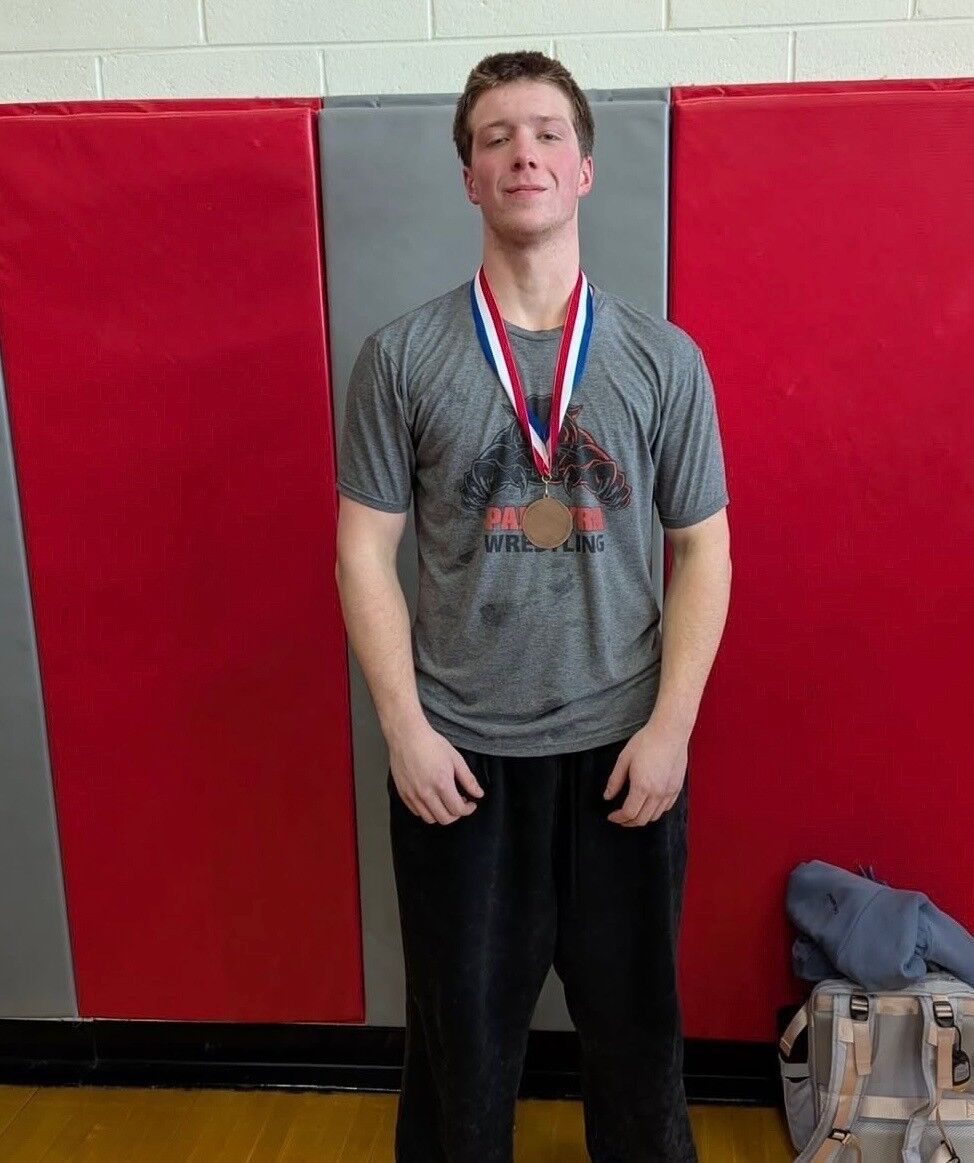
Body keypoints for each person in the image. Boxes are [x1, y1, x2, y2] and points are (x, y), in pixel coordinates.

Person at [335, 49, 732, 1163]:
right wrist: (407, 732)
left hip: (623, 762)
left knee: (638, 1049)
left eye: (548, 132)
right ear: (467, 174)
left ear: (584, 170)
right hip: (458, 769)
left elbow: (703, 549)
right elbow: (361, 555)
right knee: (460, 1055)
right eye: (497, 136)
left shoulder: (663, 360)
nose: (524, 153)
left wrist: (670, 730)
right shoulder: (401, 359)